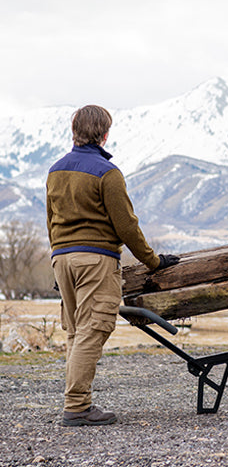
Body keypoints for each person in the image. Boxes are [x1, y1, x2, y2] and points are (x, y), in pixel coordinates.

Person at [46, 105, 179, 426]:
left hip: (62, 257)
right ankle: (77, 406)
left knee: (77, 331)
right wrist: (153, 261)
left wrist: (57, 261)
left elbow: (51, 221)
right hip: (96, 260)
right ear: (105, 135)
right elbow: (126, 226)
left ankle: (78, 402)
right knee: (96, 327)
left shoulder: (55, 171)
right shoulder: (108, 173)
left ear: (74, 131)